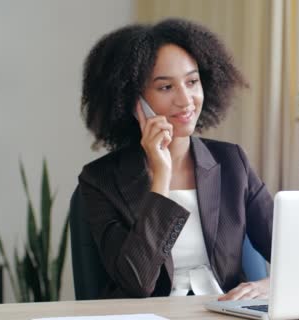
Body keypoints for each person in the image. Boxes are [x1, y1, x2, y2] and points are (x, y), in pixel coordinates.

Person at [78, 18, 273, 300]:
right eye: (166, 87)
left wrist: (263, 287)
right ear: (133, 102)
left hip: (223, 311)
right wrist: (161, 177)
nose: (186, 100)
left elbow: (293, 256)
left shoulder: (232, 162)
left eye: (192, 82)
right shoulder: (100, 180)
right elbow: (137, 283)